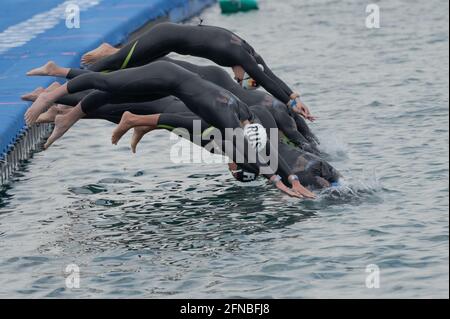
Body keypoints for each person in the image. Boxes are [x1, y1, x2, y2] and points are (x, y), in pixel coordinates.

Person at [25, 60, 316, 199]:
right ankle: (53, 90)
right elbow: (256, 151)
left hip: (172, 83)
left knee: (112, 92)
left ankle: (61, 105)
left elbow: (263, 150)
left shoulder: (245, 113)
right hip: (166, 77)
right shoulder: (228, 121)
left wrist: (289, 176)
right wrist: (282, 184)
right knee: (108, 84)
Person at [26, 58, 321, 154]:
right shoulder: (238, 121)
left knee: (124, 93)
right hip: (179, 87)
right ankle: (58, 91)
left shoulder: (255, 113)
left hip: (194, 88)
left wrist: (294, 99)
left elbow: (303, 137)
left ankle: (61, 102)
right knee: (118, 89)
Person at [27, 22, 314, 120]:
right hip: (164, 37)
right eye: (246, 82)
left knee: (123, 69)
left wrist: (292, 95)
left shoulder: (248, 53)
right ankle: (58, 76)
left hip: (169, 43)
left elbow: (267, 73)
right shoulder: (243, 58)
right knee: (109, 70)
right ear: (248, 72)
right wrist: (291, 100)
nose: (241, 82)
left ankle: (105, 57)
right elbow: (266, 77)